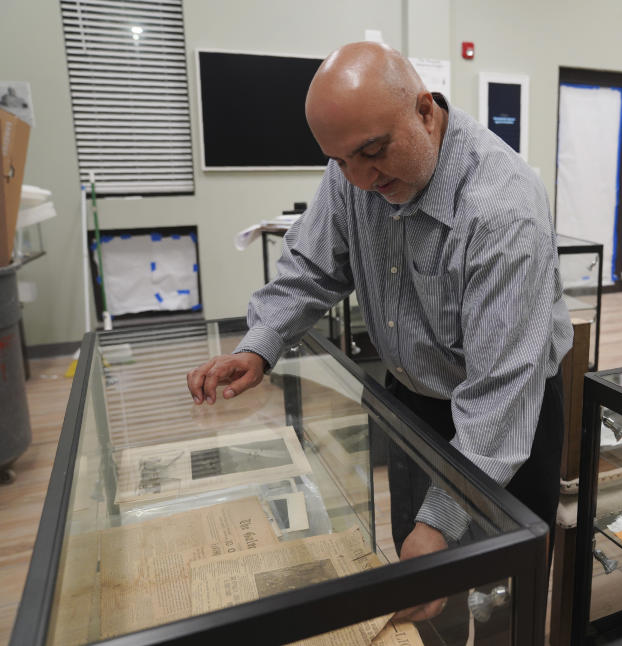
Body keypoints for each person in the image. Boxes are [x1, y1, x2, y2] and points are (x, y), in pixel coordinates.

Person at [186, 41, 572, 638]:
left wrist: (443, 520)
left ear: (425, 110)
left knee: (502, 603)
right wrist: (258, 346)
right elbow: (313, 268)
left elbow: (500, 395)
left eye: (372, 152)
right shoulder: (353, 170)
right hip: (413, 407)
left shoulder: (502, 206)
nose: (360, 178)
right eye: (340, 160)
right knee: (423, 590)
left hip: (509, 422)